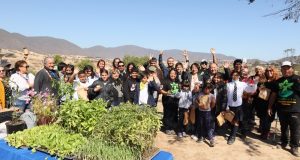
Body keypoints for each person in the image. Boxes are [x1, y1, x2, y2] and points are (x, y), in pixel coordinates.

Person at [268, 61, 300, 157]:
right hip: (281, 109)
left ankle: (294, 147)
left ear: (291, 68)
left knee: (295, 129)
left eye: (288, 68)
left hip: (295, 109)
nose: (286, 70)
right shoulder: (278, 81)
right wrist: (269, 106)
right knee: (284, 128)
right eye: (284, 68)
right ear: (281, 69)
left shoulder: (297, 79)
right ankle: (284, 142)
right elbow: (273, 95)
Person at [226, 71, 258, 145]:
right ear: (231, 76)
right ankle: (233, 132)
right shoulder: (228, 85)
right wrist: (227, 106)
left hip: (238, 106)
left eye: (236, 74)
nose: (235, 76)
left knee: (236, 121)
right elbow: (227, 96)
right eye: (233, 74)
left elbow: (251, 90)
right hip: (230, 105)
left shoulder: (243, 84)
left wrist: (255, 83)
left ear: (239, 76)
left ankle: (232, 136)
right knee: (231, 121)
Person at [252, 65, 279, 140]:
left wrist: (270, 106)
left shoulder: (276, 82)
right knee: (262, 117)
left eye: (271, 70)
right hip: (260, 103)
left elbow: (274, 95)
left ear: (274, 72)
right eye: (267, 71)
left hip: (270, 104)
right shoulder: (263, 80)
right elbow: (257, 90)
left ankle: (265, 134)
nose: (269, 72)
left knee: (267, 119)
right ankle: (262, 130)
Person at [160, 69, 180, 135]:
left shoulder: (178, 81)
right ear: (169, 74)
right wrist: (166, 93)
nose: (173, 75)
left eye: (174, 73)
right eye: (171, 73)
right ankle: (167, 128)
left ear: (176, 75)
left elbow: (179, 90)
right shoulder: (165, 81)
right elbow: (161, 90)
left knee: (174, 114)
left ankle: (173, 127)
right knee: (167, 114)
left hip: (175, 101)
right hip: (167, 101)